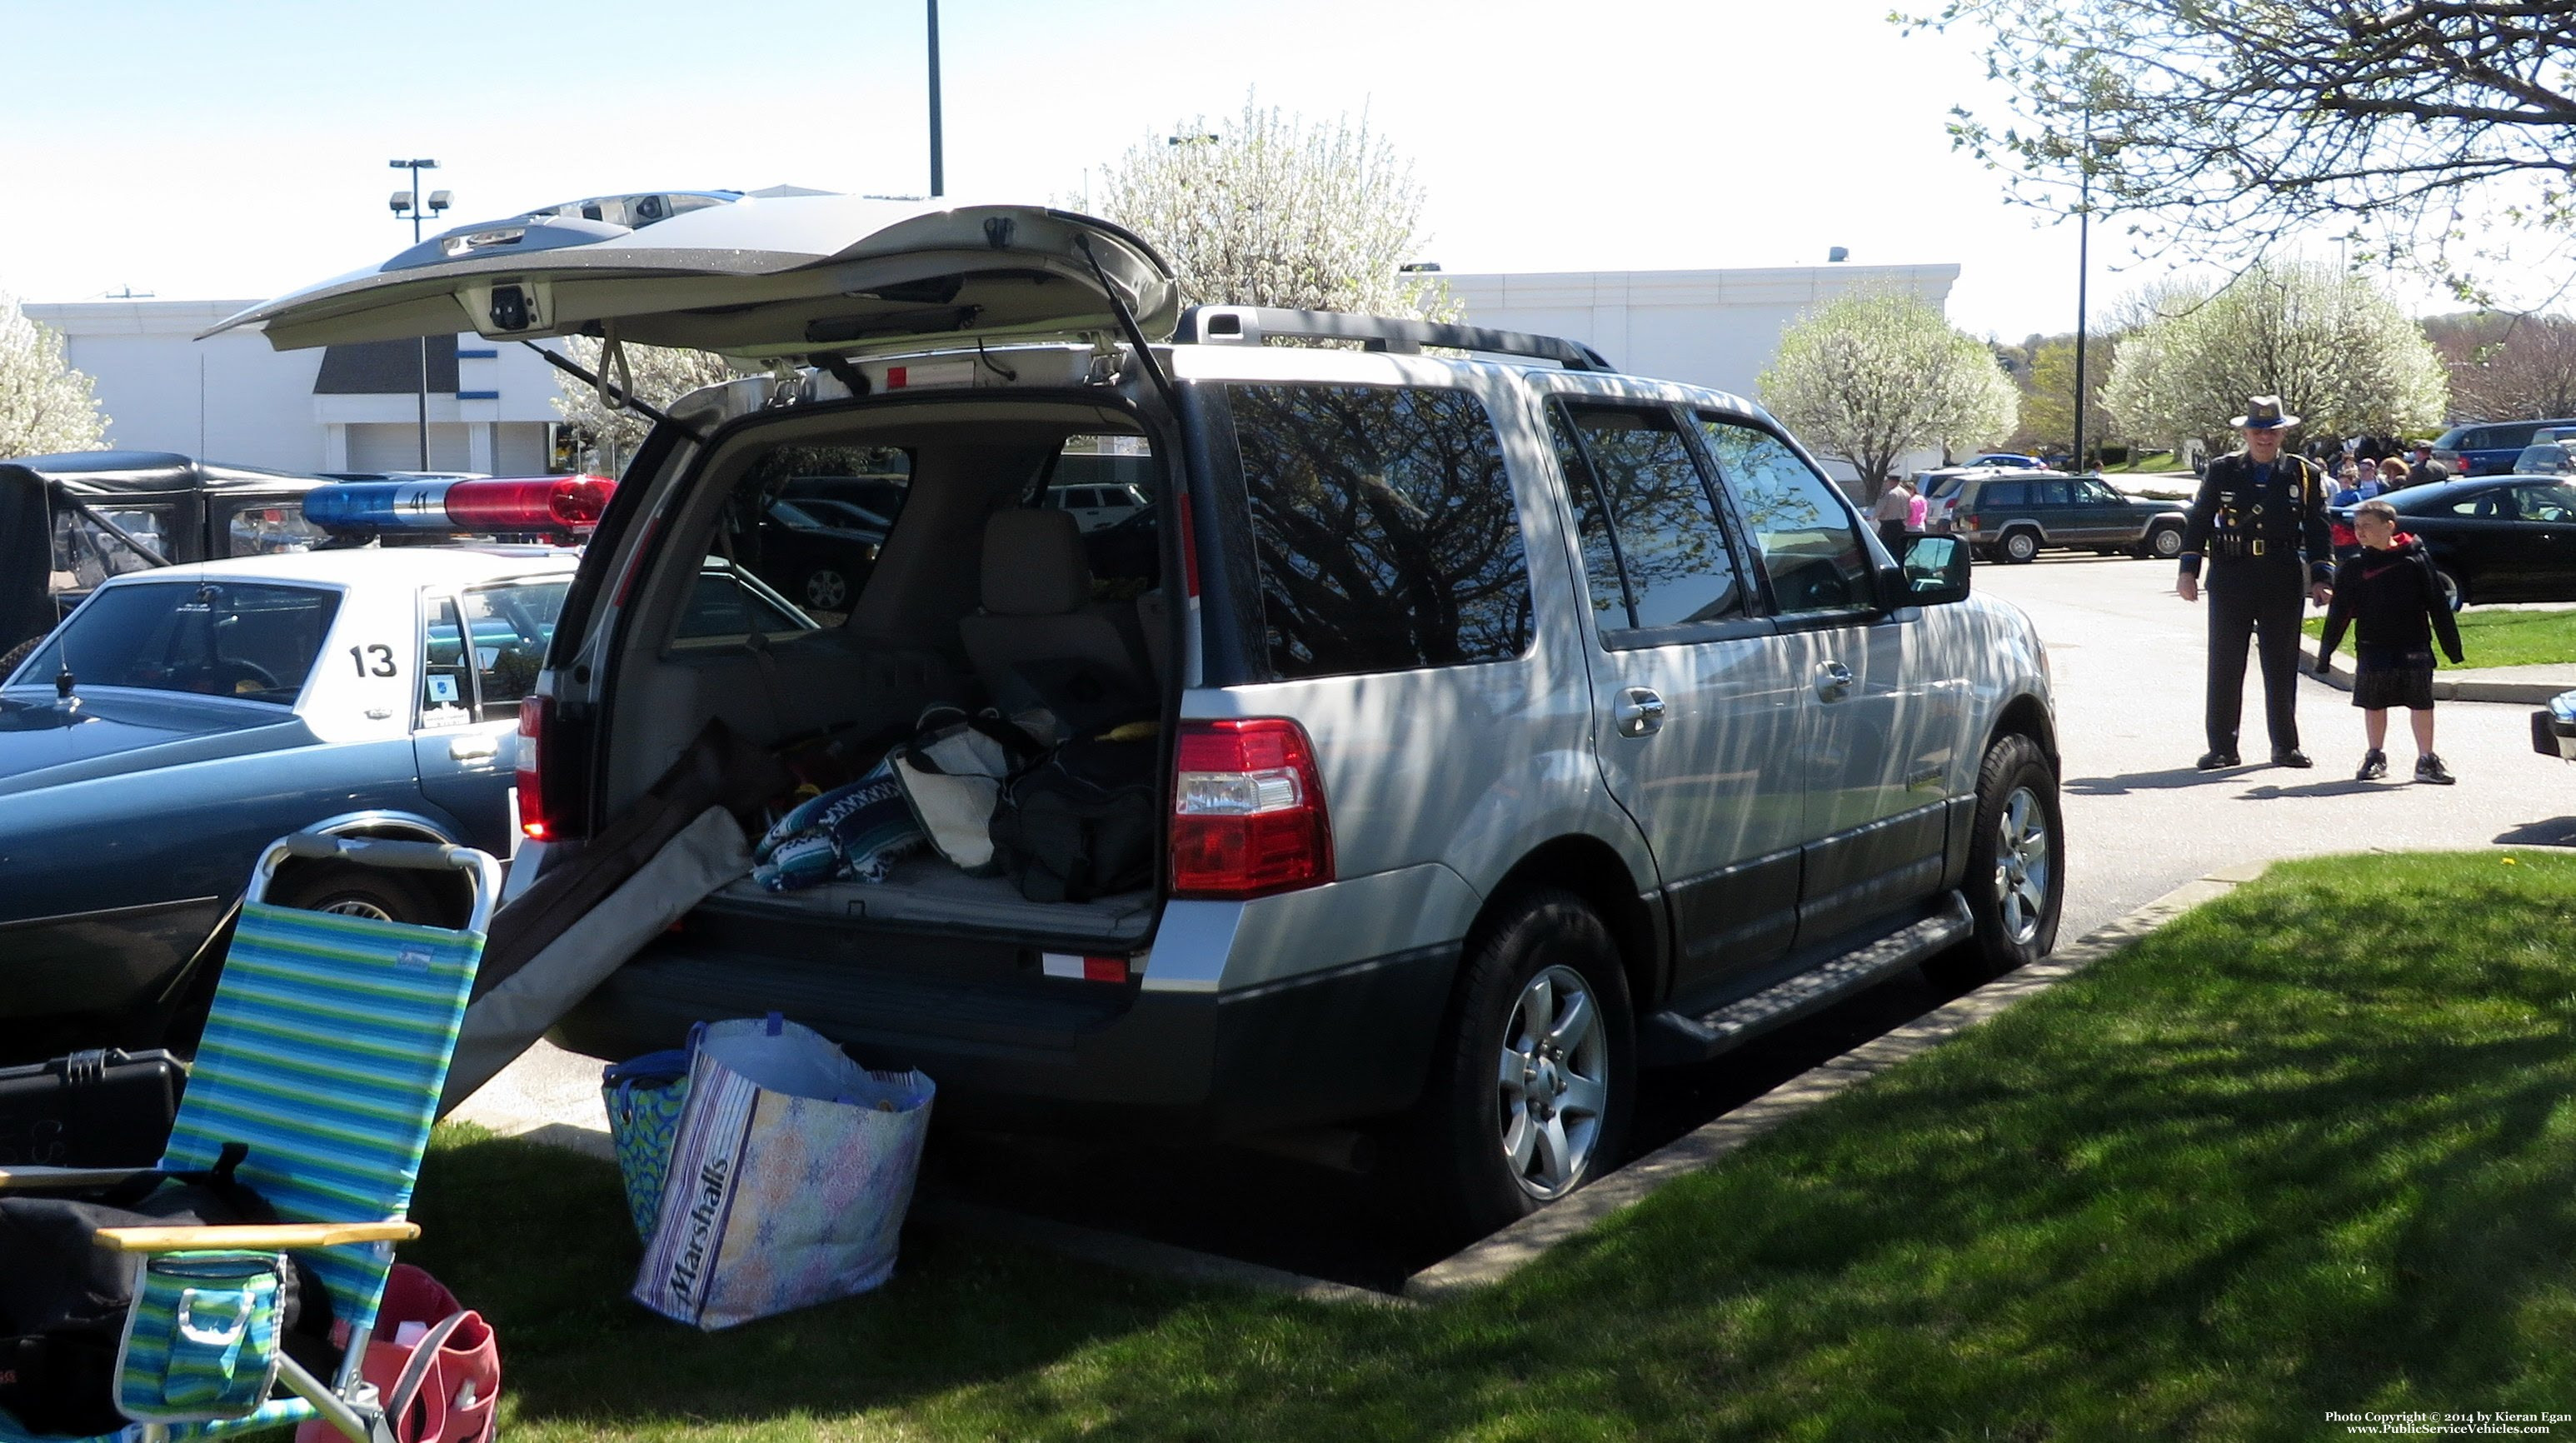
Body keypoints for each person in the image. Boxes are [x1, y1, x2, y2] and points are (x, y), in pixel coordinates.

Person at [2178, 396, 2335, 770]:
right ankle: (2222, 747)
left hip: (2281, 574)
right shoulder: (2223, 470)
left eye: (2272, 431)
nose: (2265, 437)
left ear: (2283, 433)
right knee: (2226, 663)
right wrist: (2188, 570)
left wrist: (2321, 577)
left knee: (2281, 663)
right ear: (2246, 433)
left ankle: (2285, 746)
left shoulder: (2303, 474)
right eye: (2258, 431)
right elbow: (2200, 519)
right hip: (2232, 574)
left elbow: (2318, 527)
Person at [2314, 498, 2464, 783]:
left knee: (2421, 702)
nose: (2360, 532)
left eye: (2368, 526)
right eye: (2357, 527)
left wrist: (2452, 648)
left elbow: (2437, 604)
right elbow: (2340, 613)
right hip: (2372, 645)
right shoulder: (2355, 566)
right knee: (2374, 703)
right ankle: (2375, 755)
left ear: (2389, 526)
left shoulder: (2416, 559)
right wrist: (2325, 654)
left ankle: (2426, 760)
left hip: (2413, 643)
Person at [1872, 477, 1913, 552]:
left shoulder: (1888, 493)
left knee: (1885, 546)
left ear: (1891, 481)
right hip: (1901, 523)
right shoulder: (1906, 493)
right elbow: (1909, 510)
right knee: (1898, 546)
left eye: (1888, 481)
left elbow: (1880, 507)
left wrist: (1875, 517)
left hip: (1888, 524)